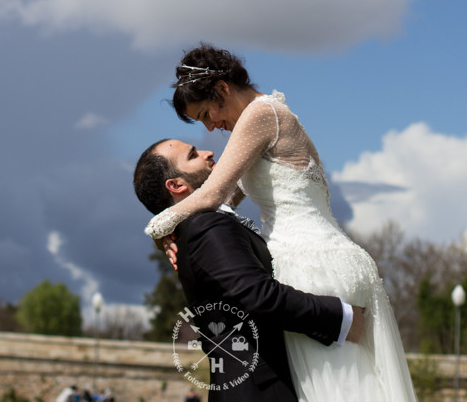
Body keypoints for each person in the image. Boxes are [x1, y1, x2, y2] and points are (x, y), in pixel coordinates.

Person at [145, 44, 418, 402]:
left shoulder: (261, 114)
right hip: (330, 258)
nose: (211, 127)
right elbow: (221, 205)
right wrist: (175, 230)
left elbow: (211, 196)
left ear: (223, 89)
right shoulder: (265, 120)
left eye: (207, 112)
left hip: (311, 266)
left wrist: (156, 229)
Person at [134, 138, 365, 402]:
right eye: (193, 154)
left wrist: (163, 225)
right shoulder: (205, 228)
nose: (208, 152)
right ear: (176, 185)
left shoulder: (198, 226)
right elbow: (258, 295)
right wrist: (342, 319)